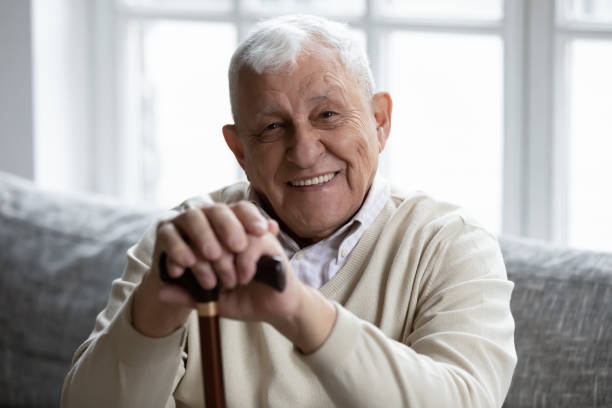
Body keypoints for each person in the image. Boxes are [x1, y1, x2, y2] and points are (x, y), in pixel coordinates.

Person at [62, 15, 516, 407]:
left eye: (328, 115)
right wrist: (156, 307)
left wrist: (298, 309)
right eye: (273, 127)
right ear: (239, 150)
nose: (303, 150)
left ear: (380, 121)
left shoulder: (450, 243)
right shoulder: (192, 237)